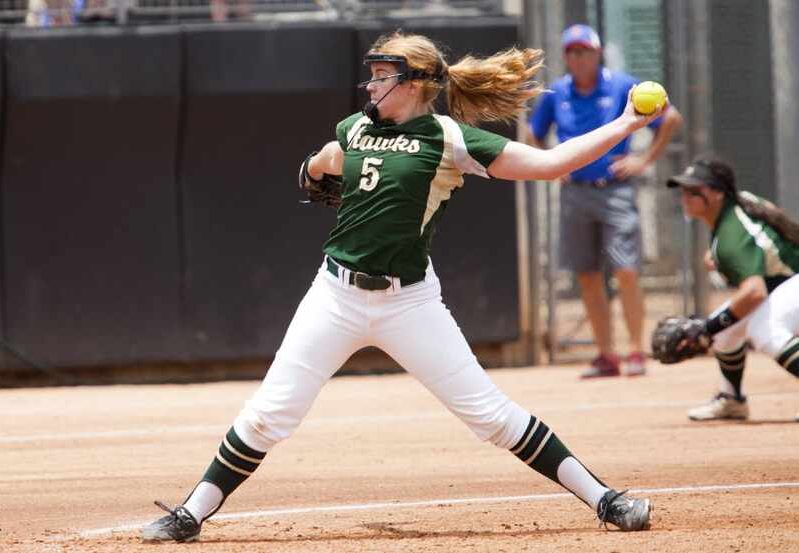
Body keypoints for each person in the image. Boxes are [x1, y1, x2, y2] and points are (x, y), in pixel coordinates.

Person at [141, 31, 665, 543]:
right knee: (270, 414)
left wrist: (625, 122)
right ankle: (191, 513)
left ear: (413, 83)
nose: (370, 87)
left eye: (382, 77)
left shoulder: (447, 138)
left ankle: (604, 499)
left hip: (409, 301)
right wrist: (310, 169)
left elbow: (552, 165)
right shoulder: (354, 128)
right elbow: (327, 157)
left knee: (490, 415)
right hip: (335, 295)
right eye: (371, 76)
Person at [528, 24, 683, 379]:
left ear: (598, 54)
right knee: (587, 274)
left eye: (585, 51)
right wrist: (551, 164)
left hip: (615, 190)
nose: (578, 57)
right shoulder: (557, 93)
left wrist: (644, 161)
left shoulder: (622, 86)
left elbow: (669, 118)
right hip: (575, 192)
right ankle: (606, 355)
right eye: (572, 52)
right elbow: (532, 133)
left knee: (626, 270)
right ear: (566, 57)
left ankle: (636, 351)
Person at [665, 156, 799, 421]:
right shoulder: (740, 202)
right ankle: (732, 399)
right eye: (684, 190)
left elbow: (754, 292)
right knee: (725, 333)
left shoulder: (730, 237)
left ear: (716, 193)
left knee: (763, 328)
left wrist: (705, 329)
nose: (686, 197)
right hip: (785, 281)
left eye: (695, 191)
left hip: (789, 282)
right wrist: (714, 328)